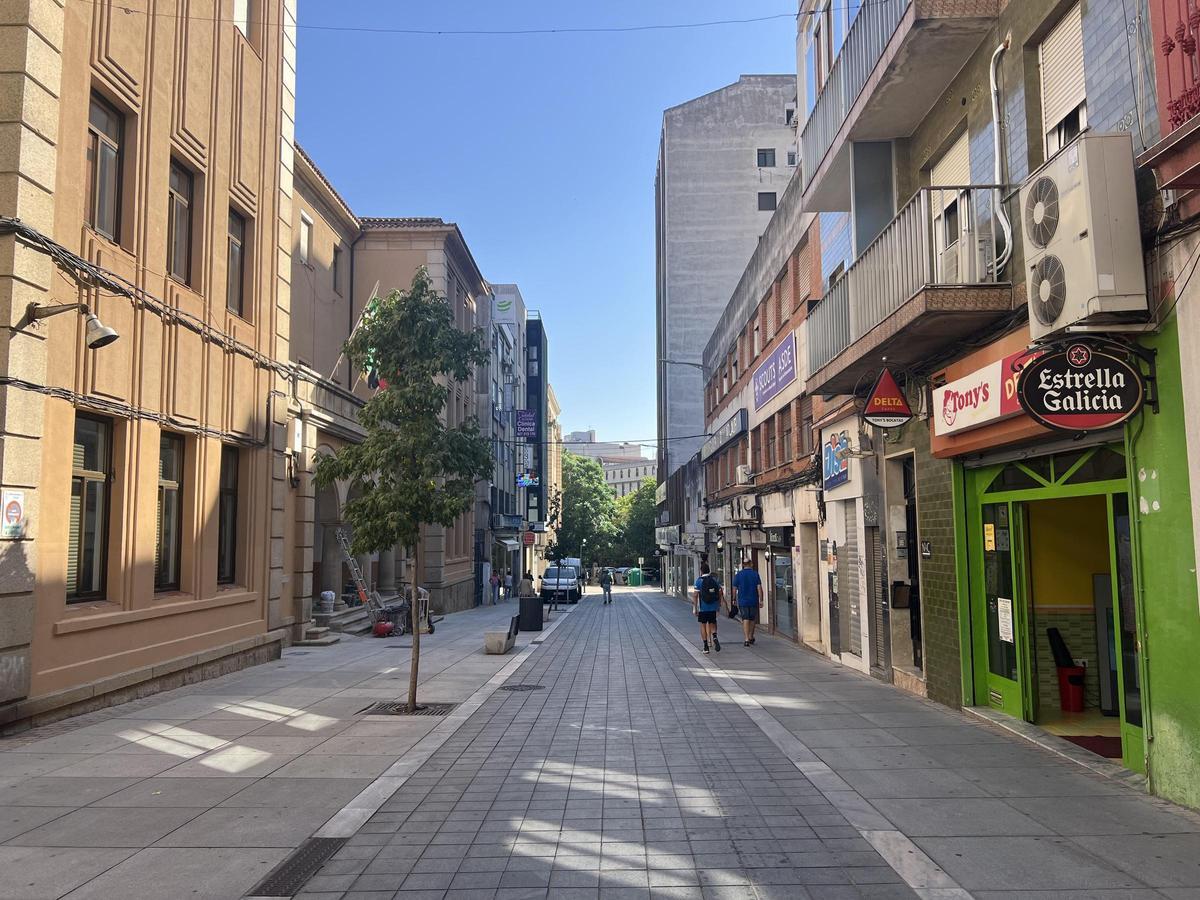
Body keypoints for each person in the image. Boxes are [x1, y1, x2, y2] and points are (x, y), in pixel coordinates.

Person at [692, 562, 725, 653]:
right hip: (713, 607)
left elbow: (695, 595)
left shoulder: (699, 581)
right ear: (709, 570)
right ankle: (714, 636)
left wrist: (695, 608)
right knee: (713, 622)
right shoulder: (714, 580)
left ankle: (706, 646)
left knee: (703, 625)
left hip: (703, 608)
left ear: (701, 571)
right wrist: (718, 604)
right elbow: (720, 593)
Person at [732, 556, 763, 646]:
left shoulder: (738, 575)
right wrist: (761, 600)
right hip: (753, 600)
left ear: (743, 565)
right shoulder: (755, 574)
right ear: (750, 564)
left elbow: (734, 588)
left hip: (742, 600)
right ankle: (751, 636)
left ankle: (746, 639)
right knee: (752, 619)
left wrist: (734, 599)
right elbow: (759, 588)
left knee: (745, 618)